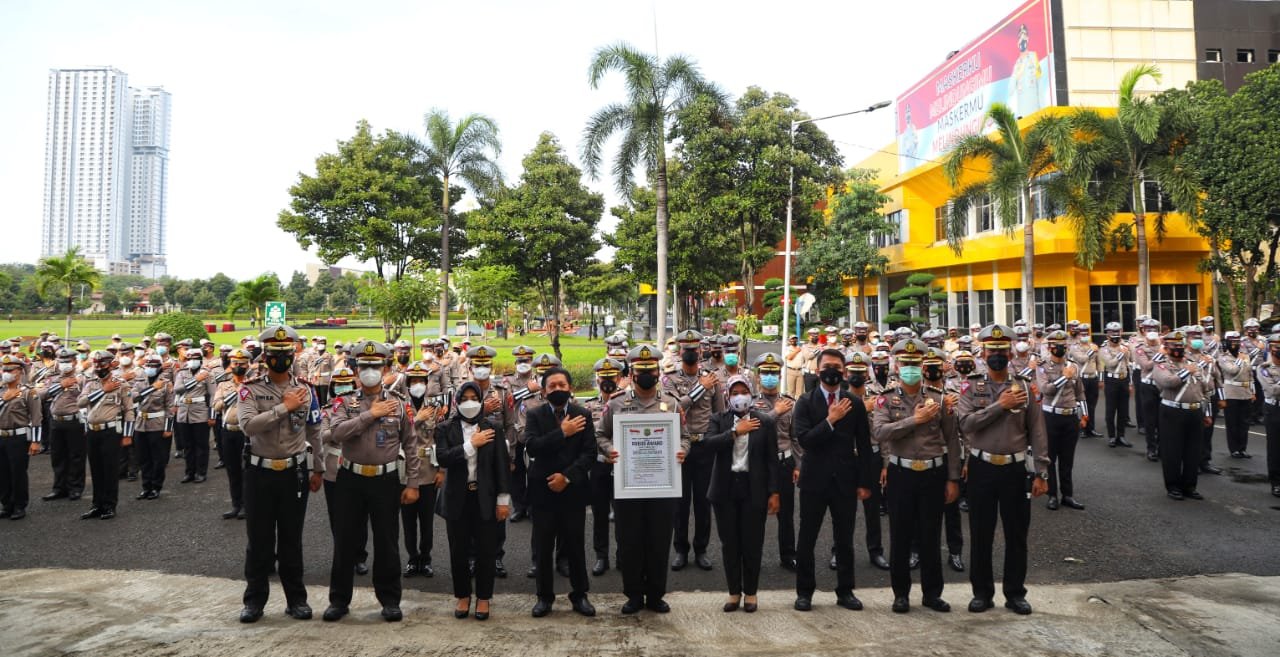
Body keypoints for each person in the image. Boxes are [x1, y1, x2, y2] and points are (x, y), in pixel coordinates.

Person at [322, 340, 420, 623]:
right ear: (355, 369)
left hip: (385, 480)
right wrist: (370, 415)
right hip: (350, 479)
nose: (369, 371)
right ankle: (339, 601)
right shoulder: (343, 401)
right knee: (345, 542)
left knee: (387, 541)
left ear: (385, 368)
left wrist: (413, 483)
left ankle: (390, 600)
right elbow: (334, 434)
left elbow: (411, 445)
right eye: (363, 366)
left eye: (375, 366)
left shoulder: (399, 404)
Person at [957, 324, 1049, 615]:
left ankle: (1015, 593)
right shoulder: (971, 386)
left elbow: (1037, 430)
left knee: (1016, 535)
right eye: (991, 350)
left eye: (1001, 350)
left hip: (1015, 469)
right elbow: (966, 424)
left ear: (1010, 353)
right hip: (982, 467)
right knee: (981, 533)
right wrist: (1000, 405)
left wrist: (1041, 472)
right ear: (983, 353)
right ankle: (982, 593)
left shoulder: (1023, 386)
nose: (997, 355)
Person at [235, 325, 324, 624]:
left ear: (293, 355)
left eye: (286, 354)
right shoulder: (250, 389)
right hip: (260, 472)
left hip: (294, 472)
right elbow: (248, 426)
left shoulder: (306, 390)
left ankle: (296, 600)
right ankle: (254, 602)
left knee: (291, 540)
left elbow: (315, 431)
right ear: (265, 356)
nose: (281, 359)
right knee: (258, 540)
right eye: (275, 354)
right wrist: (284, 408)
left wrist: (319, 468)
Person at [597, 344, 689, 614]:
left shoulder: (671, 403)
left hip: (663, 485)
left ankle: (656, 593)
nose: (647, 374)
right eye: (641, 371)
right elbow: (600, 435)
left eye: (652, 370)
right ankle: (634, 594)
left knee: (659, 541)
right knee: (629, 541)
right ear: (632, 374)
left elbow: (684, 436)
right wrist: (609, 451)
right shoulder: (616, 404)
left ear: (659, 372)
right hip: (628, 486)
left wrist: (683, 451)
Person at [873, 340, 962, 613]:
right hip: (902, 473)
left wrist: (953, 478)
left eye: (915, 364)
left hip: (933, 473)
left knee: (931, 536)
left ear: (923, 365)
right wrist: (915, 419)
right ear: (896, 366)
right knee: (900, 536)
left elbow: (952, 439)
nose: (910, 368)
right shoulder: (885, 398)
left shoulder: (939, 398)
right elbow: (880, 433)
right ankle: (901, 594)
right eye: (905, 364)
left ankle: (932, 594)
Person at [791, 348, 876, 612]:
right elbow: (804, 439)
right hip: (814, 480)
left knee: (845, 539)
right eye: (827, 366)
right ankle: (805, 592)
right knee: (807, 538)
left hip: (845, 481)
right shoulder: (805, 401)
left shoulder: (855, 402)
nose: (833, 370)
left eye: (838, 367)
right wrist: (830, 420)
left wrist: (865, 482)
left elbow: (864, 445)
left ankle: (846, 590)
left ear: (844, 371)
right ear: (817, 371)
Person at [525, 366, 597, 618]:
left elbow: (589, 454)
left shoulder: (583, 414)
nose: (557, 389)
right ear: (543, 392)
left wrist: (566, 477)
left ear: (570, 389)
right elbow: (532, 447)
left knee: (575, 545)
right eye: (552, 386)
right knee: (543, 547)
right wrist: (562, 433)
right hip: (542, 490)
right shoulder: (534, 415)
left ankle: (580, 595)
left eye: (561, 385)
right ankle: (544, 597)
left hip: (572, 490)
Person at [705, 375, 780, 613]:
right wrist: (735, 432)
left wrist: (774, 492)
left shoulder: (764, 421)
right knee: (730, 544)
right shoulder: (719, 419)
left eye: (743, 391)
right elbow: (709, 444)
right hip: (725, 488)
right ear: (727, 395)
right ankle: (733, 592)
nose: (740, 396)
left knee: (752, 543)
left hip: (753, 487)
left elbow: (771, 460)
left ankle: (751, 593)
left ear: (751, 392)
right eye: (735, 391)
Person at [438, 381, 511, 621]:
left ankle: (483, 597)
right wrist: (471, 445)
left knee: (485, 550)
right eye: (464, 398)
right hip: (457, 497)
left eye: (473, 397)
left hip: (485, 497)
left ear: (481, 400)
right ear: (457, 402)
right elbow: (443, 458)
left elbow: (501, 466)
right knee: (458, 550)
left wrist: (503, 500)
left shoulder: (493, 427)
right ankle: (462, 595)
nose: (469, 402)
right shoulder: (446, 428)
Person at [664, 329, 723, 572]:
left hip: (705, 447)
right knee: (680, 502)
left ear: (701, 350)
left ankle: (701, 549)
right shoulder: (669, 379)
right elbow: (672, 409)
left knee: (702, 501)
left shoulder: (713, 379)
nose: (690, 352)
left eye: (694, 348)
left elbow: (719, 414)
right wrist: (699, 388)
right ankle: (680, 549)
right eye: (685, 348)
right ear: (679, 351)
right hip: (680, 446)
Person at [1151, 331, 1212, 501]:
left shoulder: (1193, 363)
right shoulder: (1161, 365)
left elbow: (1204, 389)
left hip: (1194, 411)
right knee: (1173, 451)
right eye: (1173, 345)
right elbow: (1168, 382)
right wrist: (1187, 372)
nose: (1177, 348)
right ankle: (1173, 486)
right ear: (1166, 347)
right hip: (1172, 411)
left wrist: (1206, 412)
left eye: (1180, 345)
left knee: (1193, 451)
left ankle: (1189, 486)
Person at [402, 360, 448, 579]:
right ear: (408, 383)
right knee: (408, 520)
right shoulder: (399, 405)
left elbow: (441, 438)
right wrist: (415, 420)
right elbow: (396, 437)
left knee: (427, 520)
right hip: (406, 471)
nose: (418, 384)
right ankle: (412, 559)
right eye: (414, 381)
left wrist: (442, 470)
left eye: (422, 380)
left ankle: (426, 558)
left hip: (429, 469)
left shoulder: (436, 406)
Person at [752, 352, 798, 571]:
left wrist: (799, 465)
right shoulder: (749, 403)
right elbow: (752, 430)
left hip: (784, 462)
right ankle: (754, 556)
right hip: (759, 465)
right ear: (758, 377)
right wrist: (774, 412)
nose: (770, 376)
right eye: (765, 373)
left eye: (773, 373)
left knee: (786, 514)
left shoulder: (790, 402)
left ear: (780, 375)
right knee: (756, 513)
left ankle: (788, 555)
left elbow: (796, 437)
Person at [76, 350, 134, 521]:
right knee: (96, 469)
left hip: (110, 432)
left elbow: (129, 410)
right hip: (93, 431)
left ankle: (109, 506)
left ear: (111, 364)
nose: (99, 367)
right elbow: (80, 402)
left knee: (109, 470)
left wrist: (127, 435)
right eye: (96, 364)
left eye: (102, 364)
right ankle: (97, 505)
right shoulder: (90, 383)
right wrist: (103, 390)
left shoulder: (121, 384)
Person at [1037, 330, 1087, 511]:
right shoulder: (1042, 366)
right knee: (1050, 457)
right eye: (1055, 345)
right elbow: (1045, 389)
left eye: (1062, 345)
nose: (1059, 348)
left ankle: (1068, 495)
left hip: (1070, 416)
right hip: (1051, 416)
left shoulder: (1073, 365)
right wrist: (1063, 377)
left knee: (1068, 458)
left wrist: (1084, 414)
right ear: (1049, 347)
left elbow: (1080, 392)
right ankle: (1052, 495)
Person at [584, 357, 625, 576]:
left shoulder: (628, 403)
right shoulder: (589, 406)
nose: (607, 381)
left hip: (622, 466)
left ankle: (622, 555)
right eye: (604, 378)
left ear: (619, 378)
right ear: (597, 379)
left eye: (612, 377)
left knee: (622, 514)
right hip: (599, 467)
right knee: (599, 514)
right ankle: (601, 556)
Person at [39, 348, 85, 502]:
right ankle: (59, 488)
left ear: (75, 361)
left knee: (76, 456)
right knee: (57, 456)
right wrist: (61, 385)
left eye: (68, 361)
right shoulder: (52, 378)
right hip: (56, 421)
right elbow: (41, 394)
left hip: (74, 420)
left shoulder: (83, 378)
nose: (65, 364)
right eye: (62, 361)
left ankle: (75, 488)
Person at [0, 354, 42, 520]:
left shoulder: (28, 392)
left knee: (17, 472)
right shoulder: (1, 391)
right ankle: (6, 504)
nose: (6, 372)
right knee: (2, 472)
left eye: (10, 369)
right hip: (1, 436)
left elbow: (37, 417)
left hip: (18, 437)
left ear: (19, 372)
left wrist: (36, 441)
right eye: (5, 369)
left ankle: (19, 505)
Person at [212, 349, 251, 517]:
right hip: (228, 432)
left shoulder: (253, 384)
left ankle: (247, 505)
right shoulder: (223, 385)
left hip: (246, 433)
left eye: (242, 364)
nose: (238, 366)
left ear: (248, 365)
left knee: (246, 471)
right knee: (232, 470)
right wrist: (236, 393)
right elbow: (216, 406)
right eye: (235, 363)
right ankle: (235, 504)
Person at [132, 354, 175, 501]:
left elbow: (170, 407)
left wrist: (168, 428)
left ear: (159, 368)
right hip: (140, 425)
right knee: (143, 458)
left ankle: (156, 487)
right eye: (147, 366)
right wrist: (151, 389)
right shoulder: (139, 382)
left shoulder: (166, 383)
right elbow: (134, 398)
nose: (150, 369)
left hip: (157, 424)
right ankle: (146, 487)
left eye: (153, 366)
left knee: (157, 459)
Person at [174, 348, 216, 484]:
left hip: (200, 412)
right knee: (188, 445)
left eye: (195, 359)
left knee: (201, 445)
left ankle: (201, 472)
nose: (191, 361)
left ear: (200, 360)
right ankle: (189, 472)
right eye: (189, 359)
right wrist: (195, 380)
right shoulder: (181, 372)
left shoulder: (208, 374)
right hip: (183, 412)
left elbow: (213, 395)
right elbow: (177, 389)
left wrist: (212, 415)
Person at [1217, 331, 1254, 459]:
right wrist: (1239, 360)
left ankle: (1242, 449)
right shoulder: (1223, 357)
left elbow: (1250, 374)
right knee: (1233, 423)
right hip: (1231, 393)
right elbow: (1232, 371)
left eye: (1237, 341)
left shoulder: (1245, 356)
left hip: (1245, 392)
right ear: (1227, 342)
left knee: (1244, 423)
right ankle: (1234, 449)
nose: (1235, 344)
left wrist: (1252, 391)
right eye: (1232, 341)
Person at [1098, 322, 1133, 448]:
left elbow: (1129, 365)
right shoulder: (1103, 349)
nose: (1115, 335)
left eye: (1117, 332)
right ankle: (1112, 436)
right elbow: (1110, 364)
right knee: (1110, 410)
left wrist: (1130, 382)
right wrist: (1121, 354)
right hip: (1111, 381)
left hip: (1124, 380)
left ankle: (1121, 436)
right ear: (1107, 334)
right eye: (1112, 332)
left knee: (1123, 410)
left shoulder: (1125, 346)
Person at [1256, 334, 1280, 498]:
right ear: (1270, 348)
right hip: (1274, 410)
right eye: (1276, 346)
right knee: (1276, 447)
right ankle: (1276, 482)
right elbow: (1273, 391)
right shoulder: (1264, 368)